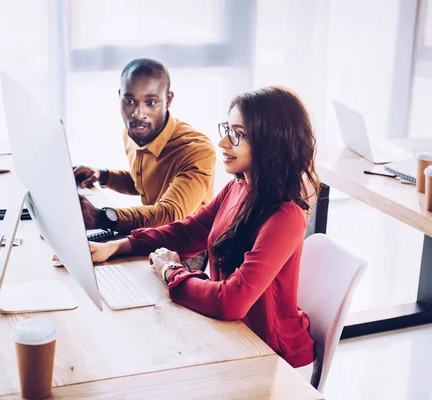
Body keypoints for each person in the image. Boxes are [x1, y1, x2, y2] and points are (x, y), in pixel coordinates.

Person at [87, 86, 319, 374]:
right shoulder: (239, 187)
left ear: (270, 143)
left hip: (271, 355)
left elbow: (231, 302)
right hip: (231, 334)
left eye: (238, 134)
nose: (222, 142)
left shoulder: (285, 216)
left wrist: (171, 271)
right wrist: (118, 246)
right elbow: (186, 232)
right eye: (227, 128)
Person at [73, 58, 216, 234]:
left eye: (150, 102)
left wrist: (103, 217)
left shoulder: (196, 150)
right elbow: (143, 182)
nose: (138, 114)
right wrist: (102, 175)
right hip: (153, 234)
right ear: (120, 97)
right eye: (129, 101)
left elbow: (171, 214)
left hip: (187, 248)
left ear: (168, 99)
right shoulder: (134, 132)